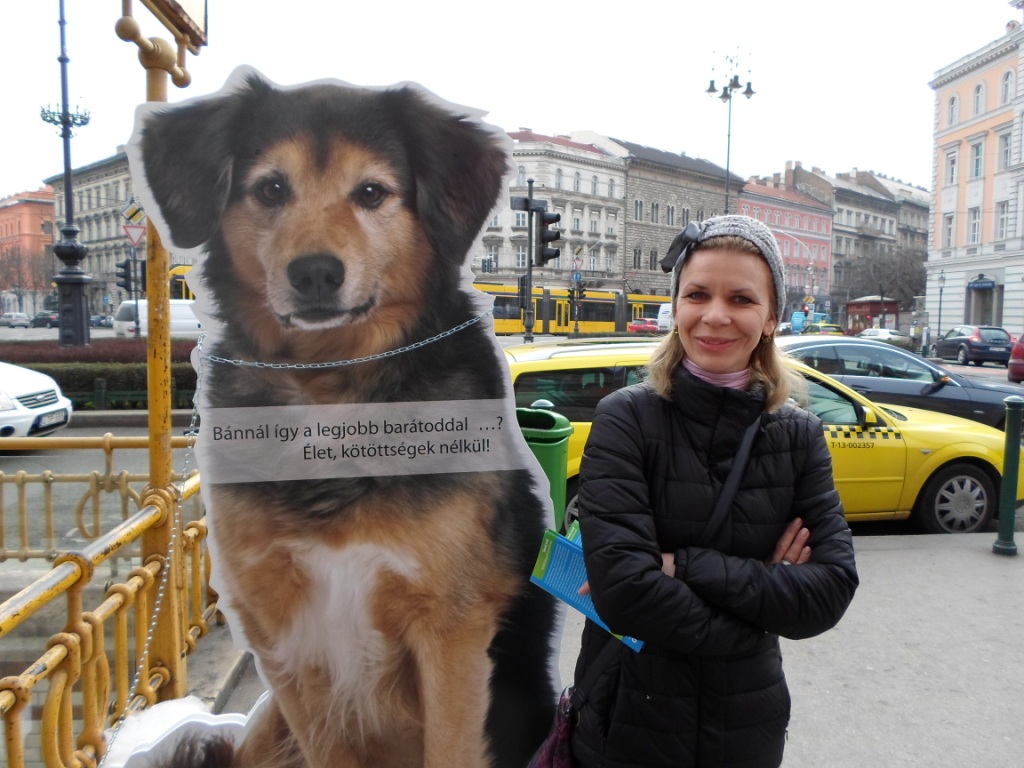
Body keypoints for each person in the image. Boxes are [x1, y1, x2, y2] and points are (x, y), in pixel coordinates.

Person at [570, 215, 859, 768]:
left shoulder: (798, 436)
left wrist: (683, 565)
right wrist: (759, 614)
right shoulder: (626, 420)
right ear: (675, 307)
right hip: (627, 721)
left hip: (746, 732)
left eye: (742, 299)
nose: (716, 315)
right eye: (697, 294)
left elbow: (829, 591)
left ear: (772, 317)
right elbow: (626, 594)